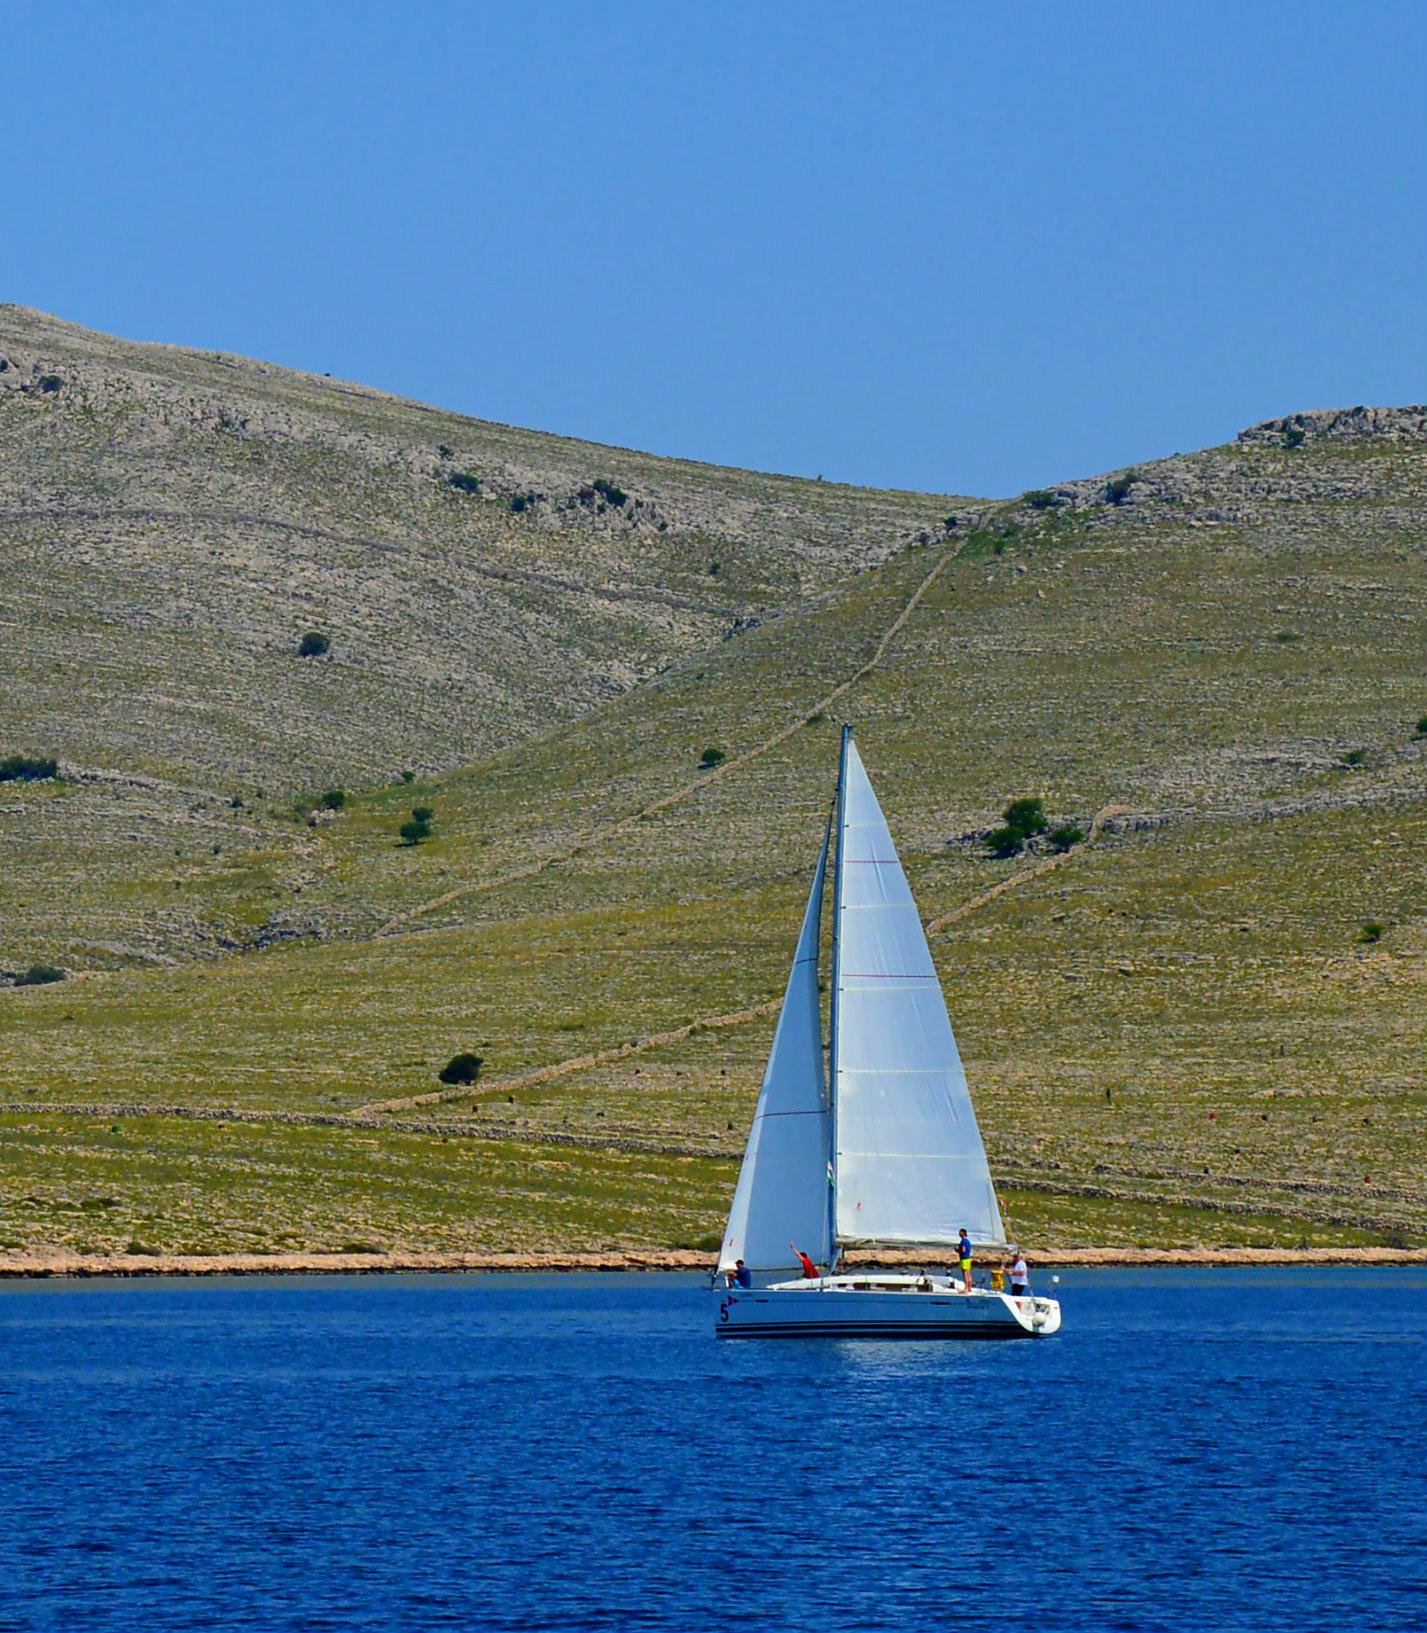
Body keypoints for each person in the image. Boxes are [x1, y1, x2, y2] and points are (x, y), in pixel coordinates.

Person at [956, 1228, 973, 1293]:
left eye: (960, 1232)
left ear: (963, 1233)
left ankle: (966, 1288)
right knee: (968, 1274)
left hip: (964, 1259)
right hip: (968, 1259)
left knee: (965, 1274)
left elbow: (963, 1250)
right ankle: (969, 1287)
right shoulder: (968, 1241)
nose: (959, 1234)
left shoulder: (963, 1241)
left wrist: (957, 1251)